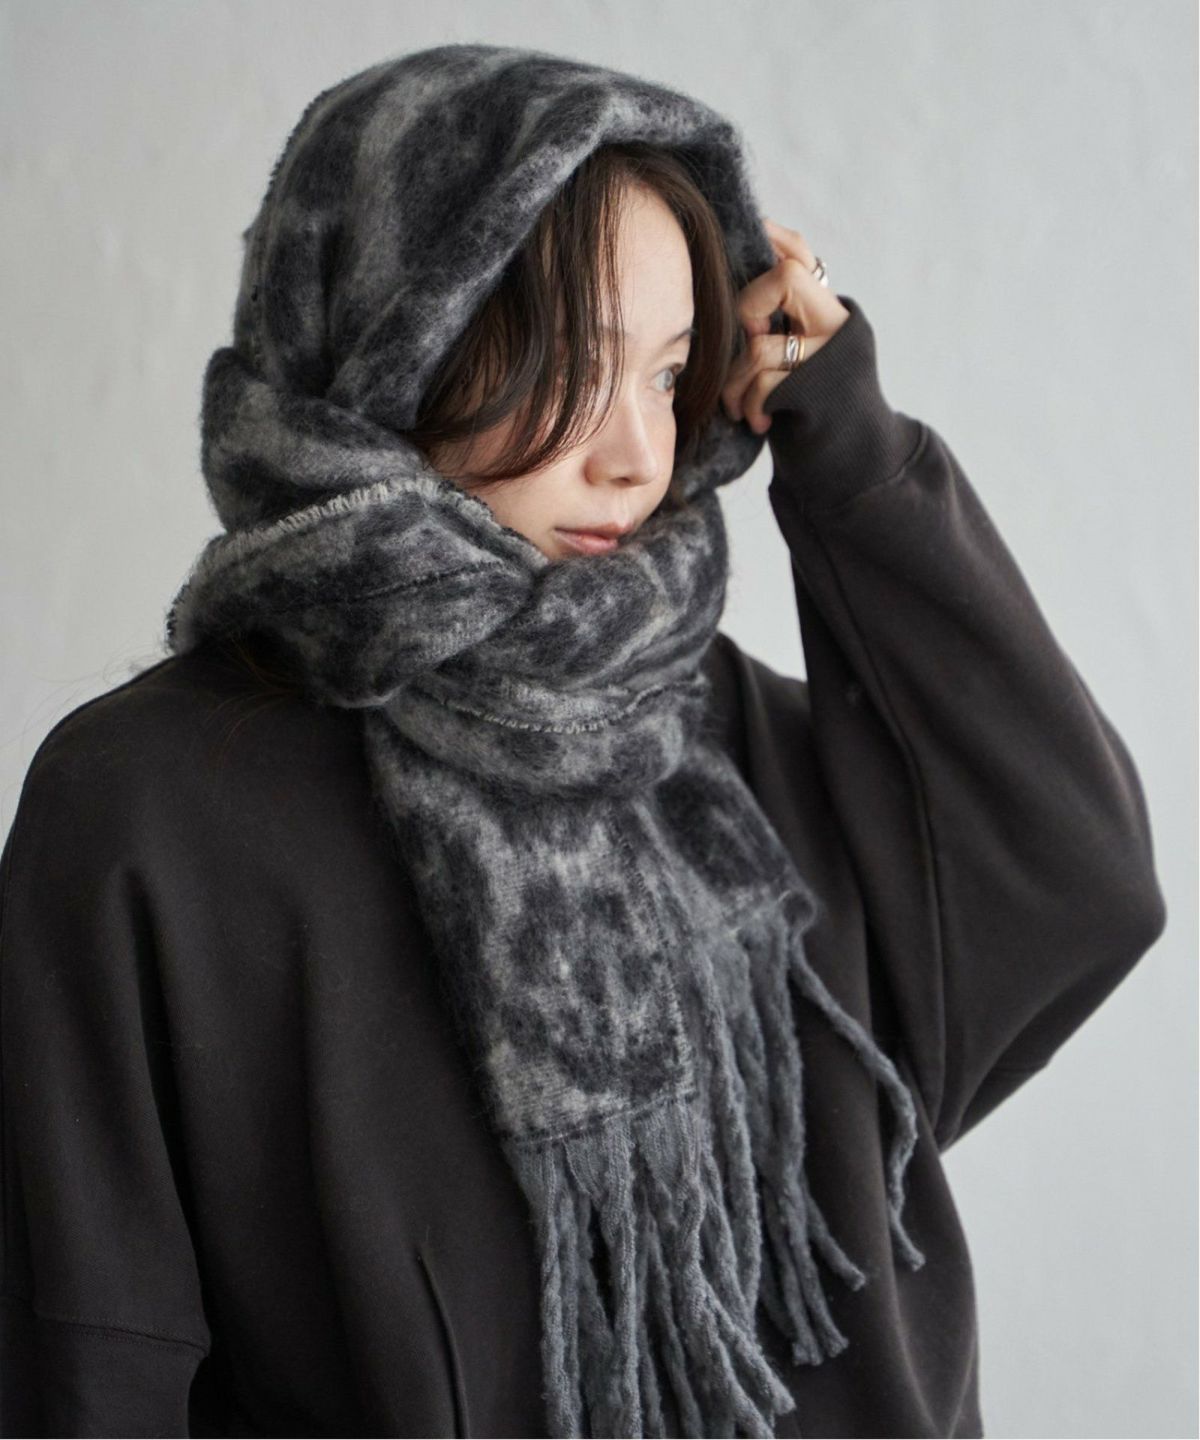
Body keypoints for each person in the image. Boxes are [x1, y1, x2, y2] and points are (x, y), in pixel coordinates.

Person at [0, 44, 1166, 1440]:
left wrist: (847, 444)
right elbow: (93, 1368)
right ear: (393, 343)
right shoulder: (149, 811)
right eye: (572, 365)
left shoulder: (715, 730)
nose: (636, 457)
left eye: (669, 379)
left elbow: (1078, 882)